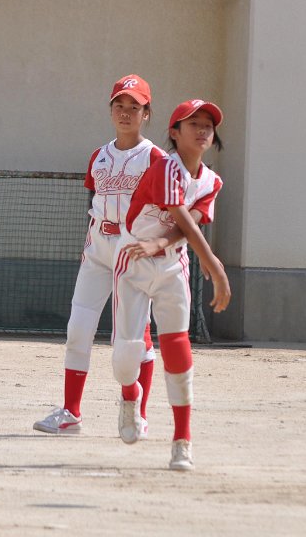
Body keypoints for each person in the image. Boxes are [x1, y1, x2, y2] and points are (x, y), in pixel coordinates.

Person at [33, 74, 170, 437]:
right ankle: (71, 412)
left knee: (131, 339)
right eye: (119, 105)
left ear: (146, 113)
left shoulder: (155, 158)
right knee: (78, 329)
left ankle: (136, 412)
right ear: (110, 110)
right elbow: (94, 200)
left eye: (134, 107)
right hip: (98, 248)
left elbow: (170, 212)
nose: (125, 113)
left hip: (134, 251)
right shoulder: (99, 156)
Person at [111, 98, 231, 471]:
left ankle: (182, 440)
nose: (202, 129)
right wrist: (215, 265)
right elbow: (182, 216)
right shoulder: (166, 166)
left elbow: (186, 225)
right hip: (133, 257)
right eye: (193, 123)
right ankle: (130, 396)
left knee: (178, 349)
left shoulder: (212, 181)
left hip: (171, 265)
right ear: (174, 133)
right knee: (125, 358)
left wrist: (162, 244)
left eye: (208, 124)